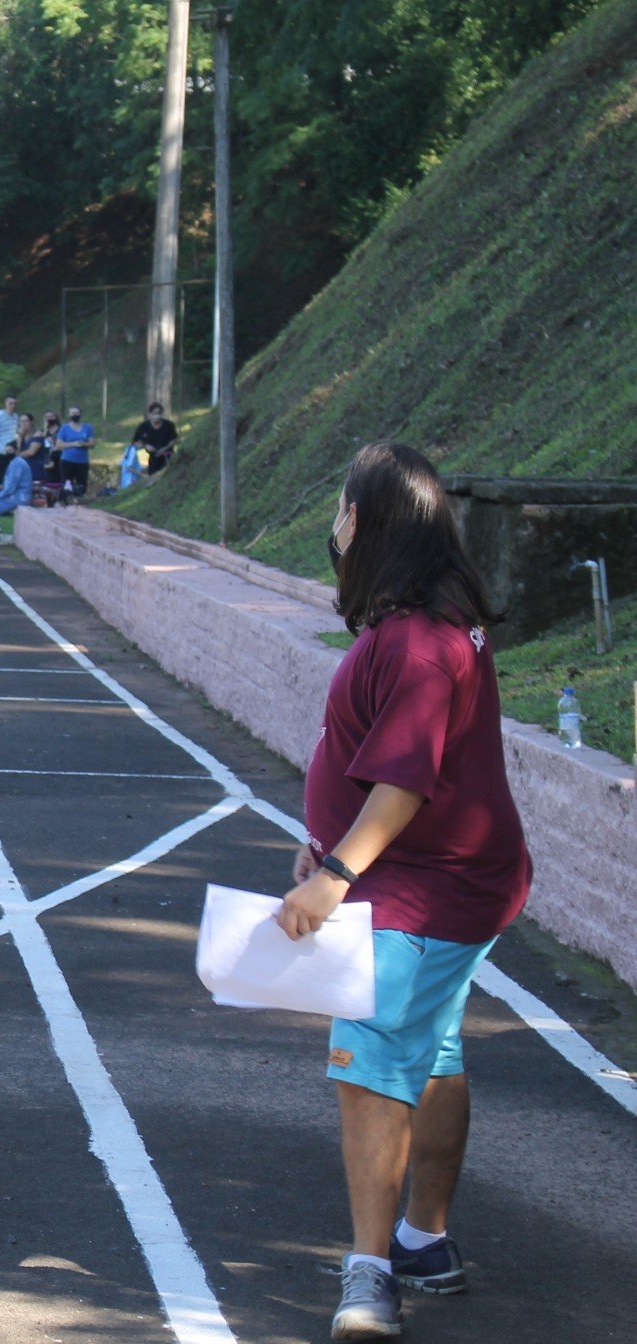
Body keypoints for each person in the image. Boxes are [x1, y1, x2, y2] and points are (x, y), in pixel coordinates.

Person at [273, 442, 529, 1342]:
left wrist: (337, 876)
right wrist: (332, 843)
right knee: (438, 1051)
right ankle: (425, 1241)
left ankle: (370, 1271)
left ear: (370, 523)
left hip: (420, 891)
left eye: (345, 507)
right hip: (439, 880)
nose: (335, 524)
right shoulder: (433, 621)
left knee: (371, 1065)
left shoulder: (418, 641)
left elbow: (405, 782)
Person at [57, 405, 94, 496]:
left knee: (81, 485)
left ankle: (80, 503)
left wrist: (83, 444)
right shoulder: (64, 428)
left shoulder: (88, 427)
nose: (75, 415)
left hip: (82, 461)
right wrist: (73, 444)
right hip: (67, 460)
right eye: (72, 413)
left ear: (80, 414)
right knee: (67, 485)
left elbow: (92, 443)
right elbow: (59, 445)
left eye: (76, 413)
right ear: (69, 415)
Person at [135, 402, 180, 473]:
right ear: (150, 414)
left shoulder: (169, 425)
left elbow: (175, 439)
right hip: (152, 458)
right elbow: (136, 442)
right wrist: (145, 446)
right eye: (154, 413)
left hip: (167, 456)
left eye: (159, 413)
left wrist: (165, 448)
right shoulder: (143, 427)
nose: (157, 415)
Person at [0, 396, 20, 483]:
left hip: (13, 449)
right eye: (10, 403)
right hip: (2, 452)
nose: (13, 406)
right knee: (2, 478)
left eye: (14, 404)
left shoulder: (16, 417)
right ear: (6, 404)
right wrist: (3, 448)